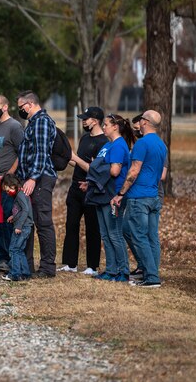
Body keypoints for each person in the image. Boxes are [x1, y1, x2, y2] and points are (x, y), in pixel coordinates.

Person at [111, 110, 168, 288]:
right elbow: (161, 174)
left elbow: (134, 171)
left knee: (138, 235)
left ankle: (151, 277)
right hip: (153, 196)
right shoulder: (161, 145)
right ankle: (149, 271)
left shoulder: (142, 144)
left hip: (139, 197)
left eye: (141, 119)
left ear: (145, 122)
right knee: (150, 236)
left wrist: (120, 193)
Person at [84, 114, 135, 282]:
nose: (103, 127)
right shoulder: (109, 145)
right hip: (101, 194)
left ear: (115, 127)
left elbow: (114, 171)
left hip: (114, 195)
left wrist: (97, 166)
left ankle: (123, 271)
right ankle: (111, 270)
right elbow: (97, 164)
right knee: (105, 234)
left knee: (115, 234)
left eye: (106, 124)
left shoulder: (119, 145)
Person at [59, 106, 108, 275]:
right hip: (75, 187)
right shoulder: (85, 138)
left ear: (95, 121)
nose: (83, 121)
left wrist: (75, 158)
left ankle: (92, 266)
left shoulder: (104, 142)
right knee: (71, 224)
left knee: (92, 227)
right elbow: (78, 162)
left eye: (86, 119)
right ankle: (70, 263)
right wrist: (66, 158)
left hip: (91, 188)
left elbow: (94, 170)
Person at [15, 90, 58, 278]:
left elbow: (41, 153)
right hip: (29, 179)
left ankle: (48, 267)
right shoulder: (32, 123)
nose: (21, 111)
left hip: (40, 179)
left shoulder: (41, 121)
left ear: (30, 104)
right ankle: (27, 265)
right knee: (27, 221)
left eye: (21, 107)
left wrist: (32, 178)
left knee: (43, 222)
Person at [0, 94, 23, 271]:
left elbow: (21, 153)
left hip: (8, 182)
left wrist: (9, 175)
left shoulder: (14, 126)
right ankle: (0, 257)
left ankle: (11, 259)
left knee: (8, 220)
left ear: (5, 107)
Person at [2, 174, 33, 282]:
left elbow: (25, 210)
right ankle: (25, 273)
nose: (8, 192)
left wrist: (18, 226)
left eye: (9, 189)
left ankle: (14, 274)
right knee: (19, 250)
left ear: (14, 185)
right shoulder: (21, 194)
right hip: (25, 226)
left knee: (14, 249)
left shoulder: (20, 195)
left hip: (22, 228)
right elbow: (20, 210)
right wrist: (13, 217)